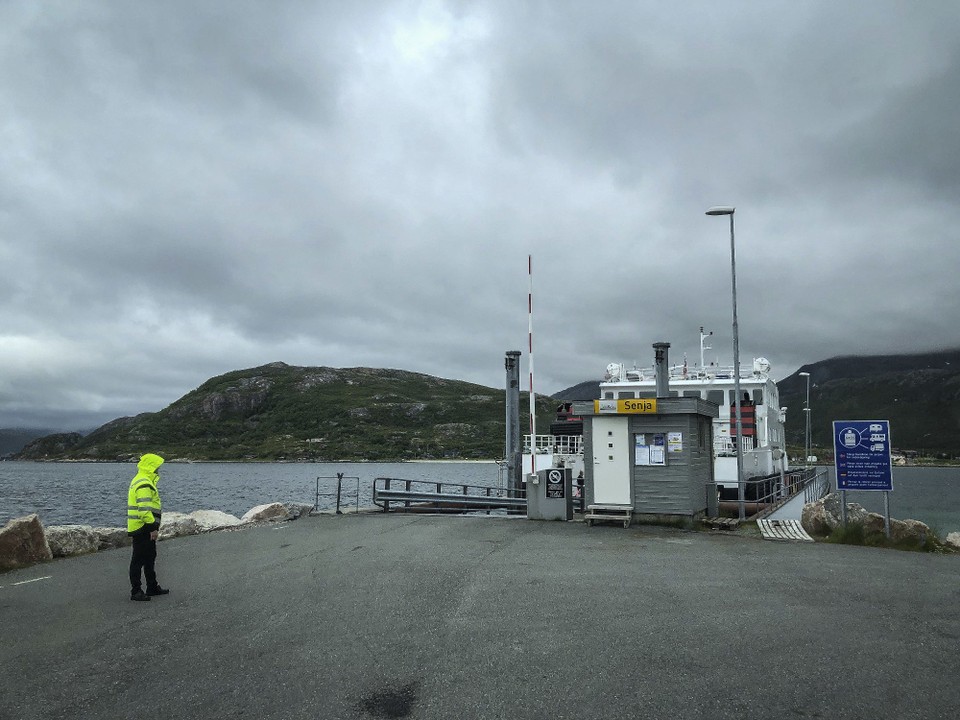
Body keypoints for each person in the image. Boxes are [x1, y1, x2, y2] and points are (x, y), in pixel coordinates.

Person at [127, 453, 169, 601]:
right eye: (157, 467)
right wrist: (152, 527)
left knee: (150, 557)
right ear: (151, 467)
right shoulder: (144, 483)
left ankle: (152, 586)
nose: (159, 469)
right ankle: (136, 591)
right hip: (142, 527)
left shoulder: (142, 480)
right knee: (138, 560)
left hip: (143, 526)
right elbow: (144, 509)